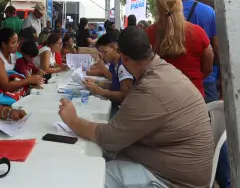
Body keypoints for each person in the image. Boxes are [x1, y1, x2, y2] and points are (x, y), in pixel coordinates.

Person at [59, 27, 214, 188]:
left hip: (172, 180)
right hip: (174, 163)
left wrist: (72, 120)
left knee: (88, 177)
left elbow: (109, 138)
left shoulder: (150, 89)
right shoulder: (164, 70)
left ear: (124, 58)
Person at [146, 0, 214, 97]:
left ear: (157, 8)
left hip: (161, 98)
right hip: (194, 97)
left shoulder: (147, 34)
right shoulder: (198, 32)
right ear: (180, 6)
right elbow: (208, 68)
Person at [170, 0, 220, 102]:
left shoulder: (169, 15)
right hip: (206, 79)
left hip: (177, 81)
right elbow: (216, 47)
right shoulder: (208, 12)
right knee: (210, 113)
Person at [0, 28, 44, 97]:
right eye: (13, 42)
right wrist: (30, 80)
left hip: (10, 92)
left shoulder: (14, 56)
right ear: (4, 44)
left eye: (17, 42)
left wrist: (36, 77)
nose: (17, 45)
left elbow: (24, 73)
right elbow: (6, 86)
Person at [83, 33, 134, 106]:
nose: (102, 56)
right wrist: (96, 83)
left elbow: (125, 96)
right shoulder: (113, 64)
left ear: (113, 47)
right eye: (100, 53)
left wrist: (99, 90)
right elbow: (114, 84)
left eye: (104, 52)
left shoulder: (122, 66)